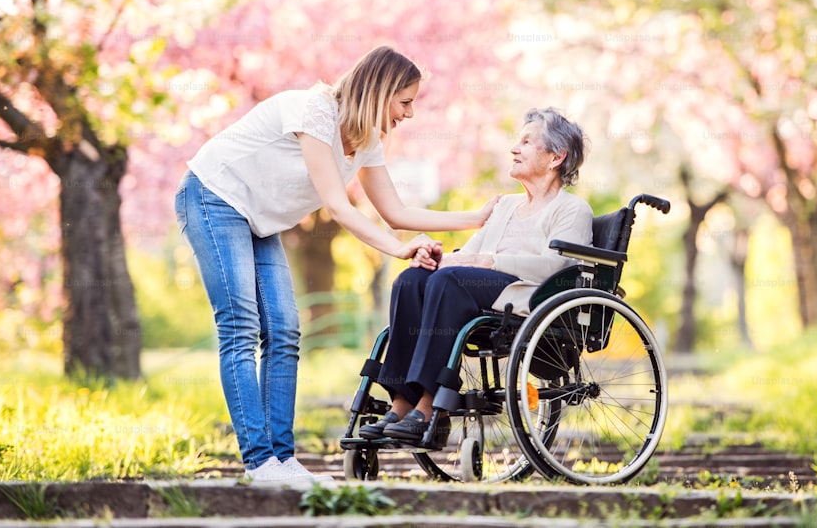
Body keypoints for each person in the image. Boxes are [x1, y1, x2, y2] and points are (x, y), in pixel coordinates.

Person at [174, 46, 497, 484]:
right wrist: (399, 250)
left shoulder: (367, 142)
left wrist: (475, 218)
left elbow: (396, 213)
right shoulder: (315, 112)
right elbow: (338, 207)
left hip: (260, 221)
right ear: (379, 91)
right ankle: (259, 462)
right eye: (405, 101)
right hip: (214, 196)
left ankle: (283, 461)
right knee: (241, 326)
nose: (410, 113)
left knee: (285, 331)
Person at [358, 108, 592, 443]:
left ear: (556, 157)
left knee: (448, 282)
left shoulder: (572, 209)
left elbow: (556, 267)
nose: (514, 148)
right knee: (413, 279)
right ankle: (401, 402)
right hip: (481, 289)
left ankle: (428, 407)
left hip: (526, 296)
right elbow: (469, 254)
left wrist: (489, 261)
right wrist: (438, 259)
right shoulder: (504, 207)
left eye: (526, 141)